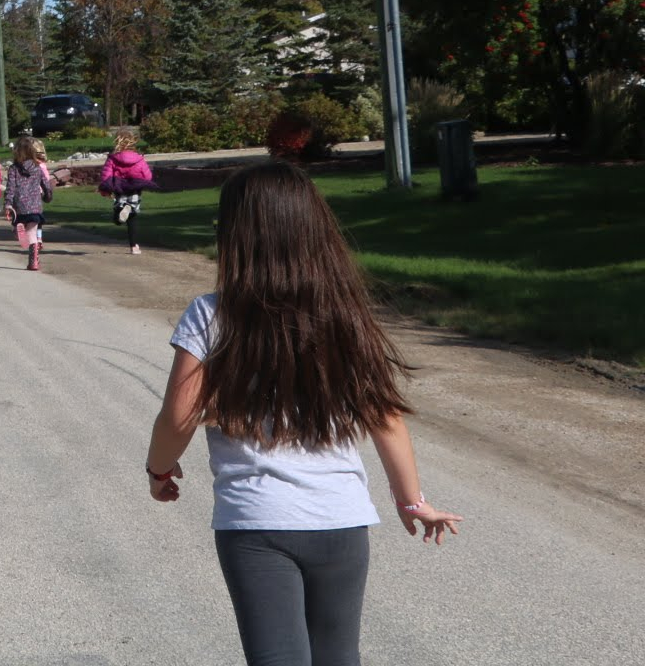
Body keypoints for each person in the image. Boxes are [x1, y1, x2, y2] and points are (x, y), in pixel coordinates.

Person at [145, 160, 463, 666]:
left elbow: (178, 418)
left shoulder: (212, 314)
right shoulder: (343, 313)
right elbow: (385, 417)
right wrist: (412, 503)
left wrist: (159, 470)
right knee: (338, 656)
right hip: (341, 520)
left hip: (257, 523)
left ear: (235, 236)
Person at [99, 131, 155, 255]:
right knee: (132, 219)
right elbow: (148, 176)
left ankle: (120, 214)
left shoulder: (113, 158)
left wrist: (105, 189)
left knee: (118, 217)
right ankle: (134, 247)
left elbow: (106, 176)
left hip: (119, 188)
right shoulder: (139, 158)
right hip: (134, 188)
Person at [5, 136, 52, 271]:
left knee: (19, 226)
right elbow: (46, 184)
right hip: (35, 206)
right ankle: (34, 262)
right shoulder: (37, 167)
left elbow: (10, 187)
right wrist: (48, 196)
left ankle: (18, 231)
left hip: (19, 206)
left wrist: (8, 204)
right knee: (32, 233)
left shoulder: (13, 168)